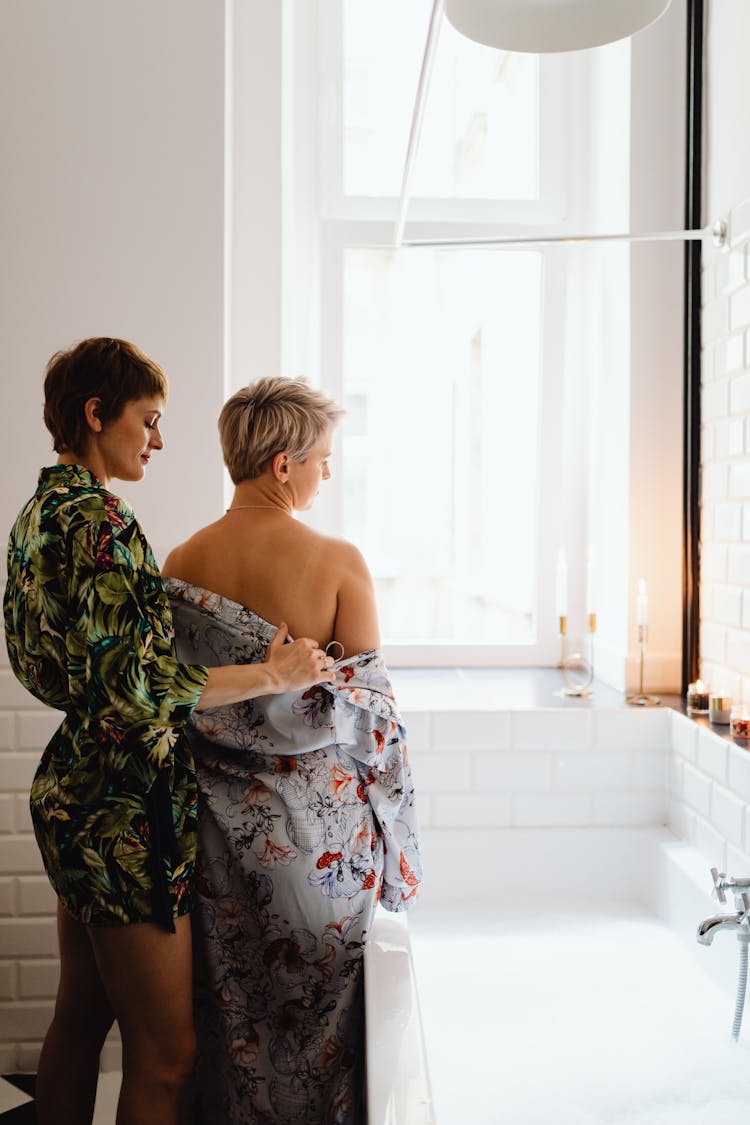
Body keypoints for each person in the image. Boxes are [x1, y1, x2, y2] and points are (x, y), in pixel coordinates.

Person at [3, 340, 335, 1125]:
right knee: (167, 1053)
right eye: (148, 421)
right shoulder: (101, 523)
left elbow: (42, 662)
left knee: (80, 1019)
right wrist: (276, 674)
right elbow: (145, 685)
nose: (157, 440)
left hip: (72, 787)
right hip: (123, 810)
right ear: (96, 414)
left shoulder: (35, 515)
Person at [162, 376, 422, 1124]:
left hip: (217, 843)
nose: (327, 473)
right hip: (320, 850)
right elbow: (376, 727)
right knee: (322, 1033)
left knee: (233, 1020)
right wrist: (401, 851)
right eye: (323, 459)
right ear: (283, 464)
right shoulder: (339, 562)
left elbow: (179, 701)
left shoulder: (179, 562)